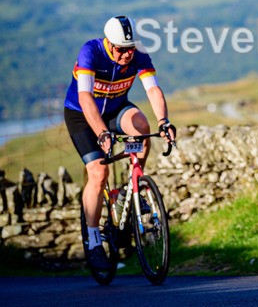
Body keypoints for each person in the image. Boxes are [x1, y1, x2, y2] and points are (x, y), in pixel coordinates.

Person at [64, 15, 176, 271]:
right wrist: (102, 132)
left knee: (143, 128)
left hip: (116, 110)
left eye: (131, 48)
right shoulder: (90, 52)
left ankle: (132, 186)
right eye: (121, 50)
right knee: (99, 171)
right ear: (109, 43)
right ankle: (93, 240)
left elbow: (153, 89)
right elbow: (85, 97)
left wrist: (164, 121)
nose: (127, 55)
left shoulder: (138, 53)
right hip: (82, 114)